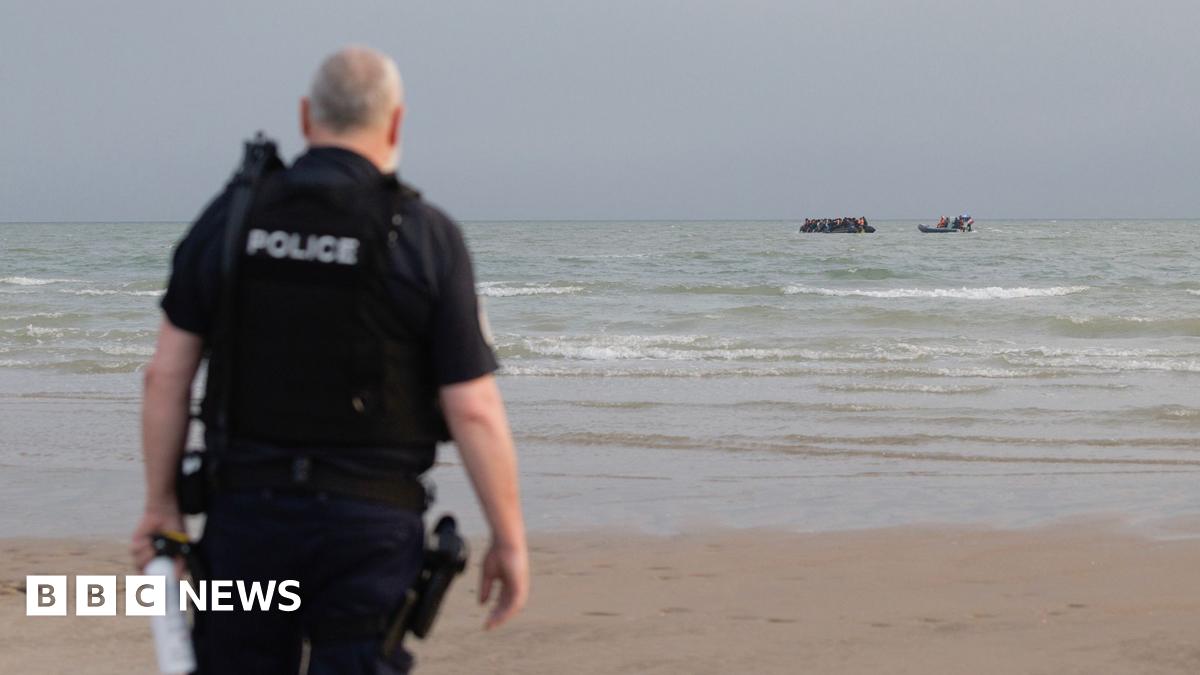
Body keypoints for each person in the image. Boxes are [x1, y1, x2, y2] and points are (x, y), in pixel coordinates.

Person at [130, 46, 528, 674]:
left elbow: (166, 376)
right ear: (396, 123)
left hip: (248, 521)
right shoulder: (425, 235)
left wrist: (161, 507)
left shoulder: (232, 220)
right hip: (369, 528)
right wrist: (508, 539)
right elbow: (474, 409)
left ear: (305, 117)